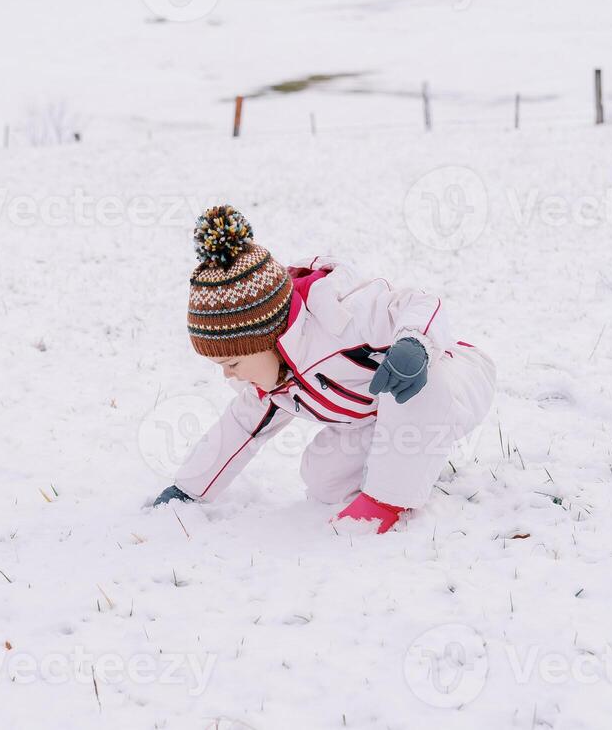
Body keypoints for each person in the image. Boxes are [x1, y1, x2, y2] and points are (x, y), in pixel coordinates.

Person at [151, 205, 497, 533]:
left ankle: (387, 502)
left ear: (264, 338)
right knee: (323, 478)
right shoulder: (272, 384)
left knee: (419, 386)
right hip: (380, 417)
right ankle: (408, 468)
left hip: (452, 374)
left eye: (233, 362)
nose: (229, 375)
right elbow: (237, 430)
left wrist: (415, 344)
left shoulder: (342, 319)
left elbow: (421, 303)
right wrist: (187, 489)